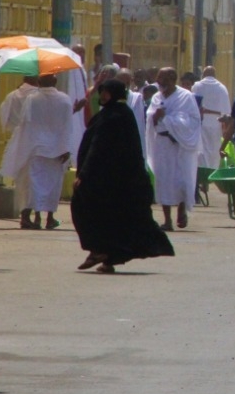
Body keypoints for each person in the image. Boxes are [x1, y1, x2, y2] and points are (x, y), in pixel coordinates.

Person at [71, 79, 175, 273]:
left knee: (88, 209)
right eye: (102, 92)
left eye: (106, 92)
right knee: (113, 219)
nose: (102, 96)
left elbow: (97, 148)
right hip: (111, 181)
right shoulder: (114, 114)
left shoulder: (115, 116)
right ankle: (107, 257)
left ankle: (99, 250)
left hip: (111, 181)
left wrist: (84, 174)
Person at [146, 67, 203, 232]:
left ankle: (182, 208)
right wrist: (156, 117)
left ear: (171, 78)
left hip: (180, 146)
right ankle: (167, 220)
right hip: (162, 146)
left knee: (181, 180)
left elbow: (192, 121)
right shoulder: (157, 97)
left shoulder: (186, 97)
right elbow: (151, 117)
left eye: (161, 78)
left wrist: (169, 120)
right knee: (163, 181)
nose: (159, 81)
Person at [17, 74, 74, 231]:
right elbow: (68, 127)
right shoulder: (65, 100)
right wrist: (66, 148)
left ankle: (36, 217)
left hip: (36, 147)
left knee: (36, 184)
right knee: (53, 185)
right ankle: (50, 218)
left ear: (39, 82)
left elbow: (24, 122)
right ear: (55, 81)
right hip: (57, 149)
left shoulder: (32, 99)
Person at [0, 75, 39, 227]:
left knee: (21, 179)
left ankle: (25, 213)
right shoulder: (38, 96)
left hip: (17, 141)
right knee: (35, 178)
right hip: (35, 141)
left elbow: (4, 119)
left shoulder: (11, 96)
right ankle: (33, 215)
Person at [191, 66, 231, 170]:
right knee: (213, 151)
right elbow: (227, 112)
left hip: (200, 124)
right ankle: (211, 173)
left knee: (201, 151)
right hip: (216, 125)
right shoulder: (222, 88)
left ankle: (202, 173)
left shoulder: (197, 86)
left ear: (203, 75)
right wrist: (226, 129)